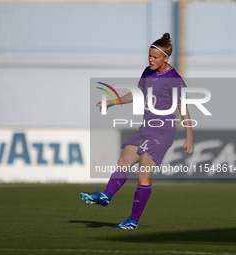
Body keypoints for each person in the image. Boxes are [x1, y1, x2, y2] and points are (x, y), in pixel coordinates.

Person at [80, 33, 194, 230]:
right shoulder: (148, 72)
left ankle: (132, 221)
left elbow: (182, 107)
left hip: (162, 133)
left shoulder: (174, 79)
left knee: (143, 175)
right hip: (145, 129)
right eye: (149, 56)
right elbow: (137, 93)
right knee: (123, 161)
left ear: (166, 59)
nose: (150, 60)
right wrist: (112, 102)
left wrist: (189, 136)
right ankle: (106, 195)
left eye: (155, 57)